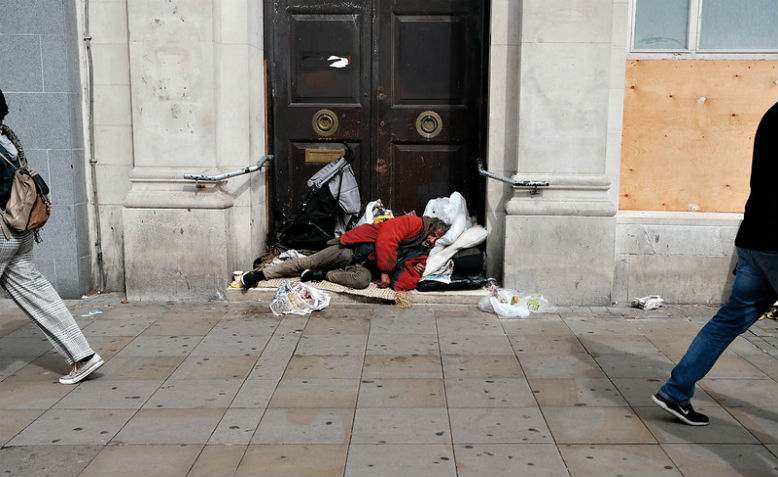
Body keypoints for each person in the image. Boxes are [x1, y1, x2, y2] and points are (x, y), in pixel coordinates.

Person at [652, 100, 778, 426]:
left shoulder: (772, 114)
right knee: (728, 321)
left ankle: (675, 392)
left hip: (753, 237)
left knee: (727, 321)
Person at [0, 89, 103, 385]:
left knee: (35, 290)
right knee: (36, 292)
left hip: (3, 232)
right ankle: (82, 355)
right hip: (21, 232)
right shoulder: (7, 137)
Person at [242, 214, 449, 291]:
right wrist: (385, 270)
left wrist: (414, 269)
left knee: (360, 282)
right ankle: (260, 275)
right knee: (309, 261)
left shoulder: (422, 249)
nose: (433, 241)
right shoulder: (413, 223)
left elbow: (401, 283)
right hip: (352, 249)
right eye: (434, 237)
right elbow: (387, 236)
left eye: (437, 241)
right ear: (431, 229)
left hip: (363, 265)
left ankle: (321, 276)